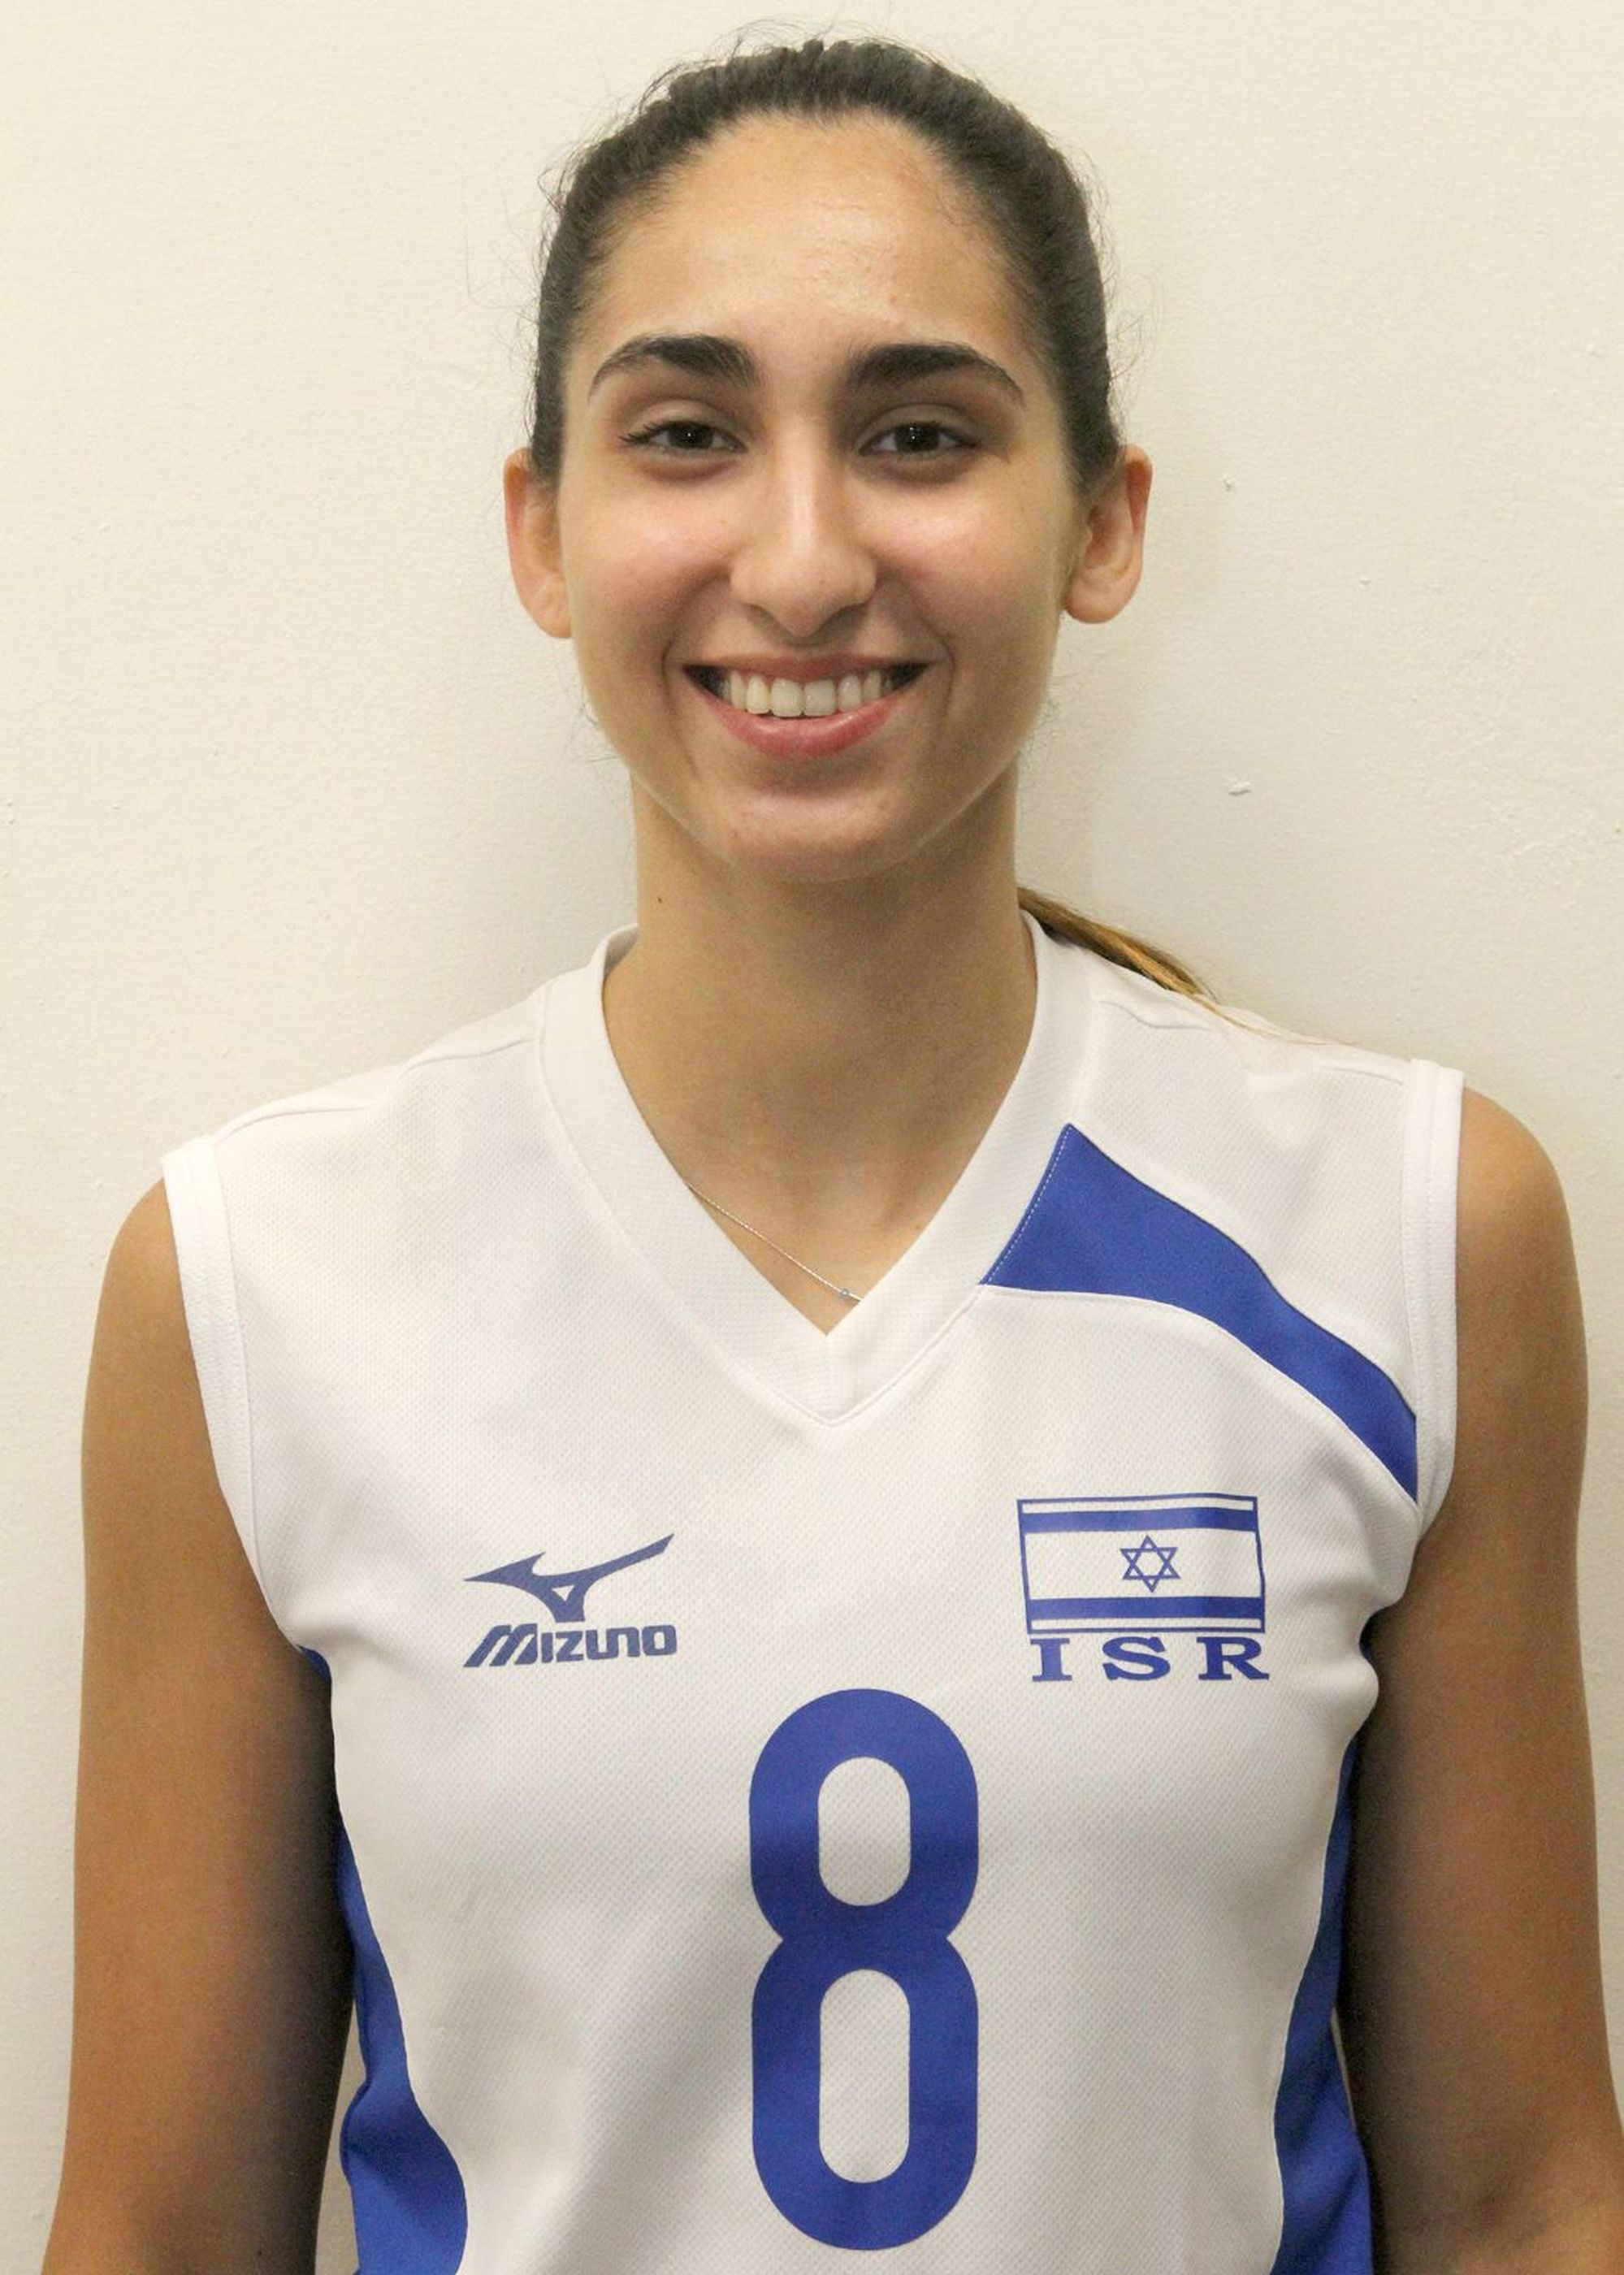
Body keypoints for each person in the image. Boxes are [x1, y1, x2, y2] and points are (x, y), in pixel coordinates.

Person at [43, 29, 1624, 2275]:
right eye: (688, 434)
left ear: (1102, 523)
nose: (801, 562)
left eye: (920, 435)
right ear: (543, 531)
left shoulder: (1408, 1232)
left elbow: (1525, 2203)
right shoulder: (255, 1284)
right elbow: (161, 2234)